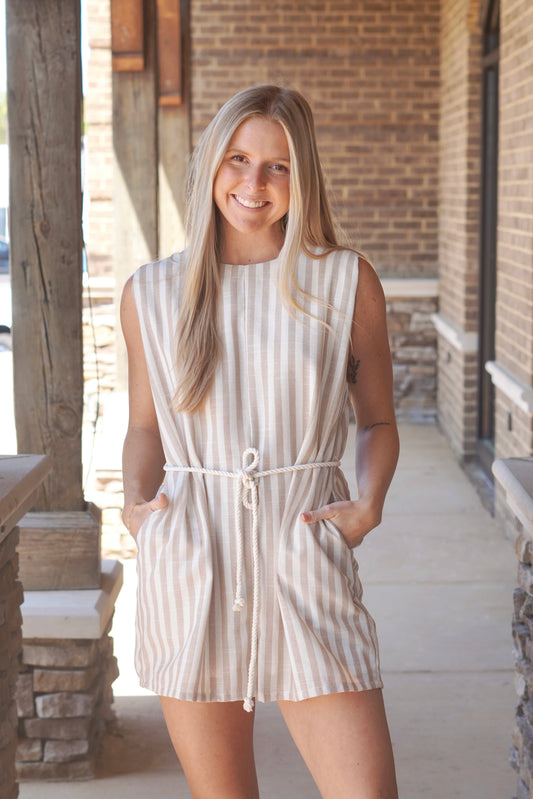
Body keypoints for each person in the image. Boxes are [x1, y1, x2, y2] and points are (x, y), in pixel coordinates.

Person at [121, 84, 400, 799]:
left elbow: (375, 420)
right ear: (211, 162)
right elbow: (147, 427)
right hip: (193, 558)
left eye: (278, 166)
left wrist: (367, 503)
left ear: (301, 177)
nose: (253, 183)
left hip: (302, 551)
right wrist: (134, 506)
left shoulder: (343, 282)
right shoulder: (152, 293)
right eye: (239, 158)